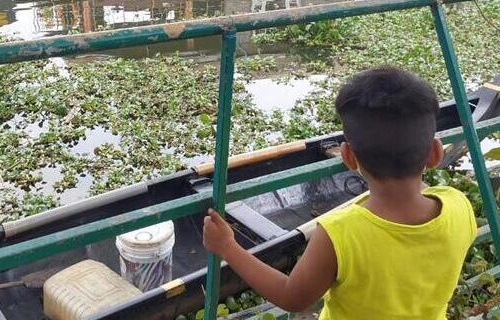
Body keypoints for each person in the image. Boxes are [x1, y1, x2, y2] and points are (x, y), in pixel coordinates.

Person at [203, 66, 477, 319]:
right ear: (435, 152)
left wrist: (228, 247)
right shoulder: (459, 205)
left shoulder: (340, 233)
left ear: (347, 156)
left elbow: (292, 297)